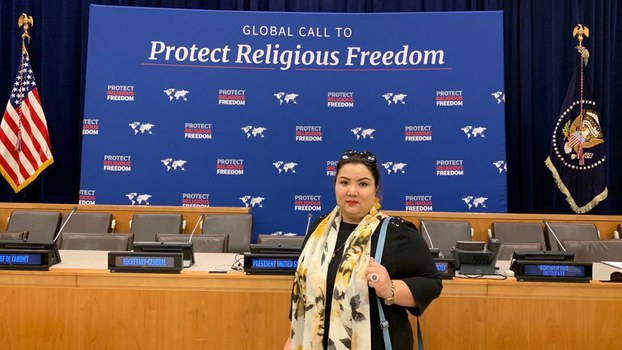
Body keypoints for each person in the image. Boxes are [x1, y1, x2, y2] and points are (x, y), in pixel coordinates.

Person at [284, 150, 442, 350]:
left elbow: (431, 283)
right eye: (344, 182)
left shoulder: (397, 233)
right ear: (335, 186)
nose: (352, 191)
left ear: (376, 189)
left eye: (363, 184)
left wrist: (389, 288)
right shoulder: (319, 229)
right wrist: (292, 340)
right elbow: (302, 294)